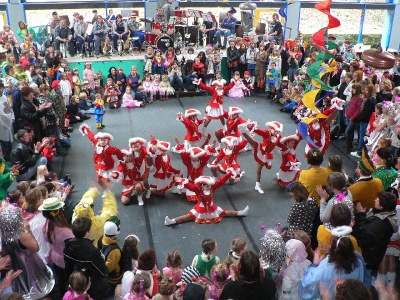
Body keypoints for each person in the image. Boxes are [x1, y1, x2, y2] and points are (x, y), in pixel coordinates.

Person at [0, 204, 54, 298]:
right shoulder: (21, 235)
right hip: (27, 267)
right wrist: (28, 230)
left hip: (13, 267)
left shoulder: (4, 233)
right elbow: (36, 247)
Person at [299, 226, 365, 299]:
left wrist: (314, 265)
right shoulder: (358, 261)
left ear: (333, 249)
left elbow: (307, 286)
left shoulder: (324, 268)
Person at [165, 172, 249, 225]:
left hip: (212, 207)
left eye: (209, 186)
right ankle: (172, 221)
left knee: (225, 212)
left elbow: (220, 182)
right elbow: (190, 186)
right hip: (200, 209)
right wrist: (181, 181)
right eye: (207, 186)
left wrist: (228, 174)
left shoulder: (212, 188)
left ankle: (241, 213)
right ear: (202, 186)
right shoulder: (198, 190)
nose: (209, 187)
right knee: (188, 217)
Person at [352, 191, 398, 287]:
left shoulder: (380, 223)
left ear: (382, 207)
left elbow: (363, 235)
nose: (374, 200)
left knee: (364, 279)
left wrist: (360, 214)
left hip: (369, 258)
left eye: (377, 200)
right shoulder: (385, 216)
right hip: (375, 254)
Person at [64, 217, 110, 300]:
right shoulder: (92, 251)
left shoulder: (67, 246)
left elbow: (67, 266)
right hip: (89, 282)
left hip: (74, 279)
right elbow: (102, 271)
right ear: (87, 232)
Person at [39, 197, 74, 296]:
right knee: (68, 278)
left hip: (54, 257)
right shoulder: (65, 231)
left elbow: (46, 239)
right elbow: (73, 245)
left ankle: (63, 293)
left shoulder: (46, 224)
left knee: (61, 279)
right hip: (65, 261)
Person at [240, 121, 283, 194]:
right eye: (275, 131)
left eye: (278, 132)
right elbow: (260, 132)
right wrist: (252, 127)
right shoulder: (267, 133)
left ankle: (280, 175)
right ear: (271, 129)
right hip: (261, 150)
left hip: (267, 154)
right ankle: (257, 185)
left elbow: (279, 144)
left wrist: (286, 147)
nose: (276, 133)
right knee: (259, 168)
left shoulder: (278, 137)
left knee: (260, 168)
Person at [79, 123, 123, 190]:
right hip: (99, 165)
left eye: (105, 140)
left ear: (108, 141)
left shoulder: (110, 149)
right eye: (101, 140)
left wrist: (122, 159)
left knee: (108, 179)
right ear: (98, 140)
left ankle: (107, 189)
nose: (102, 142)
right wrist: (86, 129)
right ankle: (106, 190)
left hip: (108, 166)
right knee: (99, 181)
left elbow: (118, 152)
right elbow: (91, 136)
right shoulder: (96, 143)